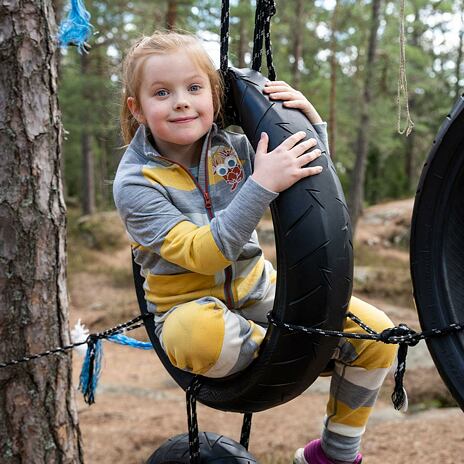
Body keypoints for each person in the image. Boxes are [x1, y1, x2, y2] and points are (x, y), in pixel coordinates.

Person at [113, 30, 397, 464]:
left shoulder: (235, 148)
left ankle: (334, 453)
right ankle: (297, 350)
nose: (181, 101)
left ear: (214, 94)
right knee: (198, 337)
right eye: (161, 92)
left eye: (193, 88)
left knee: (379, 335)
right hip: (188, 307)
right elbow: (204, 253)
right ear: (137, 108)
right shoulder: (135, 183)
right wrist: (261, 184)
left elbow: (310, 185)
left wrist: (308, 124)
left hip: (257, 291)